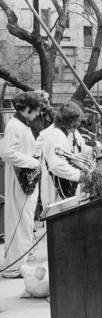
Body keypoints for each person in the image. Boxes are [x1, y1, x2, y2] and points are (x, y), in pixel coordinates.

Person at [0, 92, 41, 279]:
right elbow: (7, 153)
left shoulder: (22, 125)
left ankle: (20, 263)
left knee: (25, 221)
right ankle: (15, 266)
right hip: (20, 178)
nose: (38, 114)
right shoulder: (14, 126)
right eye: (37, 110)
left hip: (25, 178)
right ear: (28, 108)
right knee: (19, 221)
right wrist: (32, 162)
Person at [37, 101, 88, 207]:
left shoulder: (59, 134)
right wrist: (80, 175)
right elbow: (57, 166)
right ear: (71, 121)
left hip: (58, 189)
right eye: (77, 121)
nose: (78, 124)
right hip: (56, 192)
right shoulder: (57, 136)